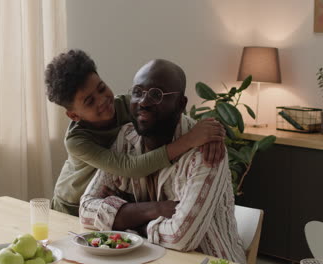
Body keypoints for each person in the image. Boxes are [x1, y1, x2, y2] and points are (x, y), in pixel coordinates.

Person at [79, 59, 246, 264]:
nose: (144, 102)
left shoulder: (205, 150)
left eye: (157, 94)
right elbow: (86, 209)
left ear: (181, 104)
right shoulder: (126, 137)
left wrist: (127, 218)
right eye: (138, 92)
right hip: (145, 258)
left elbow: (180, 237)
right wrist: (155, 209)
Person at [45, 50, 225, 216]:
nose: (102, 101)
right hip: (71, 206)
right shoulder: (76, 141)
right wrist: (189, 140)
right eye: (90, 101)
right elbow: (130, 167)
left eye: (101, 88)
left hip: (106, 201)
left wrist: (210, 135)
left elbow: (169, 113)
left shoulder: (128, 105)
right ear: (74, 115)